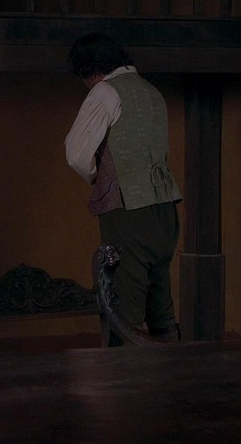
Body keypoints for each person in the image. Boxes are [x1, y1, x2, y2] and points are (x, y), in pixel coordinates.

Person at [63, 33, 183, 344]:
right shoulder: (151, 91)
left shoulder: (105, 92)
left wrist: (99, 179)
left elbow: (76, 153)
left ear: (91, 71)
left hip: (129, 210)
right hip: (165, 211)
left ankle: (123, 373)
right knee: (160, 305)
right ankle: (171, 370)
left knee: (123, 309)